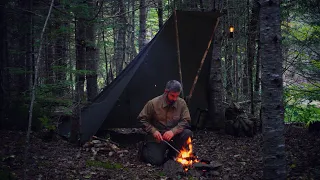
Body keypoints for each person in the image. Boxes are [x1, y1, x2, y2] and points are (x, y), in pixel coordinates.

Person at [137, 80, 193, 166]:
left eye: (177, 96)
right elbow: (141, 119)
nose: (175, 99)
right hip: (158, 138)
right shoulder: (153, 103)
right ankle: (144, 149)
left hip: (174, 136)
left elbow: (186, 121)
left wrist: (173, 131)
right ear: (166, 92)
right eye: (172, 96)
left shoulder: (181, 103)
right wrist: (153, 131)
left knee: (187, 133)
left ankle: (172, 154)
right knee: (156, 161)